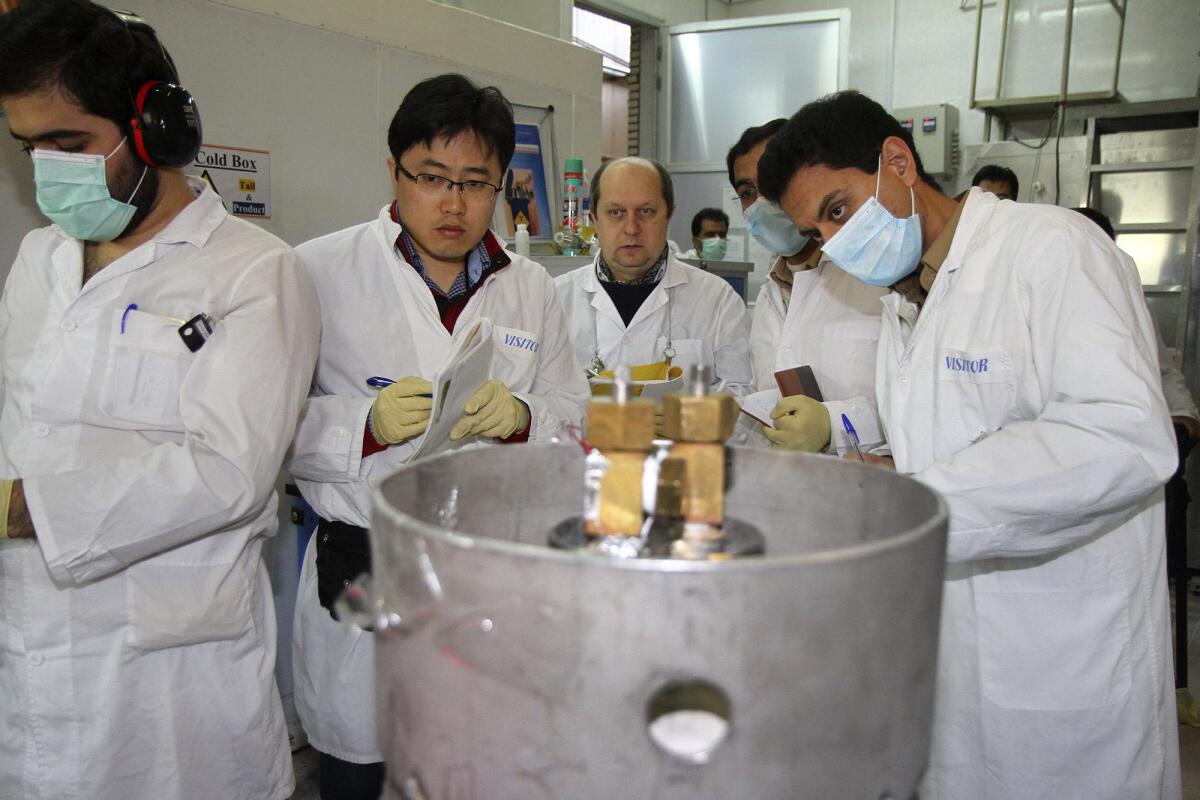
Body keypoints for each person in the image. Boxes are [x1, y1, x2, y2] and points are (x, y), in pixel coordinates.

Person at [758, 90, 1180, 799]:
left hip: (1063, 661)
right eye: (818, 231)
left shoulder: (1052, 250)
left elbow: (1123, 434)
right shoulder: (905, 300)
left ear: (898, 162)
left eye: (837, 209)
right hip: (951, 665)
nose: (833, 242)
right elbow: (943, 437)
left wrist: (916, 504)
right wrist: (869, 472)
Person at [0, 2, 320, 798]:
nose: (46, 168)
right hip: (32, 651)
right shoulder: (39, 259)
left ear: (154, 128)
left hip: (173, 682)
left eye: (68, 143)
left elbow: (227, 471)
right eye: (26, 146)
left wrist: (18, 508)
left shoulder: (253, 272)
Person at [288, 73, 589, 800]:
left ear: (501, 187)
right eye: (432, 177)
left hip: (491, 571)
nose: (453, 203)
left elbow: (574, 416)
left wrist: (523, 418)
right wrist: (362, 425)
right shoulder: (316, 271)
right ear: (393, 170)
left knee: (480, 766)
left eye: (476, 183)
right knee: (362, 766)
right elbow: (266, 425)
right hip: (368, 568)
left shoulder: (531, 287)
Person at [728, 119, 887, 453]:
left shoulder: (878, 279)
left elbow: (921, 411)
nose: (760, 202)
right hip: (792, 489)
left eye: (771, 183)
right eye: (747, 193)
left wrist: (835, 425)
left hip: (870, 489)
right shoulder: (770, 293)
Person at [555, 157, 752, 396]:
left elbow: (743, 396)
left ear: (669, 214)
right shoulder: (557, 299)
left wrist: (688, 416)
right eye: (615, 212)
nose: (631, 228)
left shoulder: (718, 300)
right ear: (595, 217)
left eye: (646, 211)